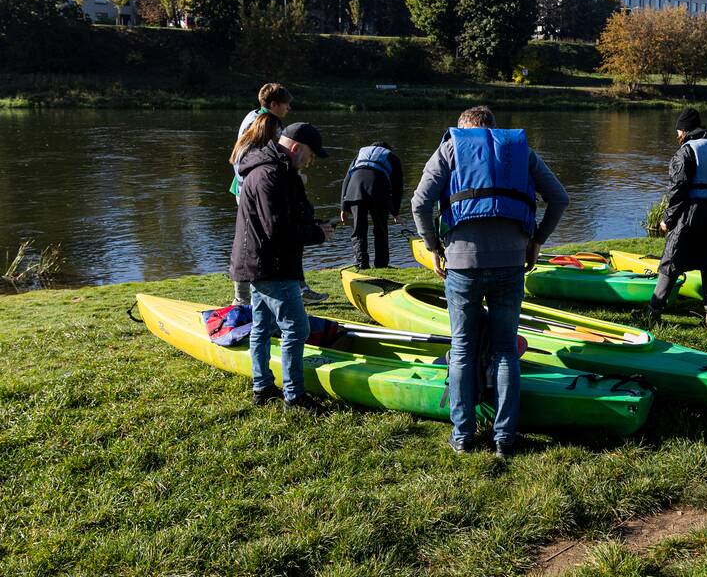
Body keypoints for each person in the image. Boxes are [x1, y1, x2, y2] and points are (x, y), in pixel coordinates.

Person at [411, 106, 568, 457]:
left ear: (463, 130)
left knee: (464, 348)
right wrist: (536, 240)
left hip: (462, 265)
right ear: (494, 131)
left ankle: (464, 436)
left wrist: (433, 246)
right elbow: (559, 197)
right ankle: (505, 439)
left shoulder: (450, 148)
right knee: (504, 349)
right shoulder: (520, 151)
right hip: (511, 263)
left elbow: (420, 202)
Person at [230, 121, 334, 411]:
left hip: (261, 262)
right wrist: (316, 234)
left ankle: (262, 387)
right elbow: (276, 229)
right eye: (311, 155)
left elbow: (285, 217)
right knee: (296, 328)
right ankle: (294, 396)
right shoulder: (269, 173)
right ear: (297, 147)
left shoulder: (276, 169)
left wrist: (314, 225)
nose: (311, 162)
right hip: (270, 264)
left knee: (263, 326)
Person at [644, 107, 707, 331]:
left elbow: (677, 190)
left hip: (690, 215)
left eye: (678, 131)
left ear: (686, 131)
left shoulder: (685, 152)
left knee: (670, 262)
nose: (677, 136)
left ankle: (653, 312)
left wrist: (667, 220)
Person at [230, 83, 292, 306]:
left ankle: (281, 288)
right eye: (286, 105)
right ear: (274, 104)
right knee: (250, 240)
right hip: (250, 187)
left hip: (252, 185)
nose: (288, 109)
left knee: (258, 238)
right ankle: (243, 298)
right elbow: (243, 159)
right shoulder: (260, 122)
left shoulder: (260, 117)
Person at [340, 140, 404, 269]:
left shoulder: (360, 155)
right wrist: (395, 211)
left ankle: (361, 263)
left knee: (359, 230)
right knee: (380, 229)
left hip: (355, 189)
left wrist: (343, 207)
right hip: (379, 190)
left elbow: (347, 179)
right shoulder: (391, 156)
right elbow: (398, 187)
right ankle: (381, 265)